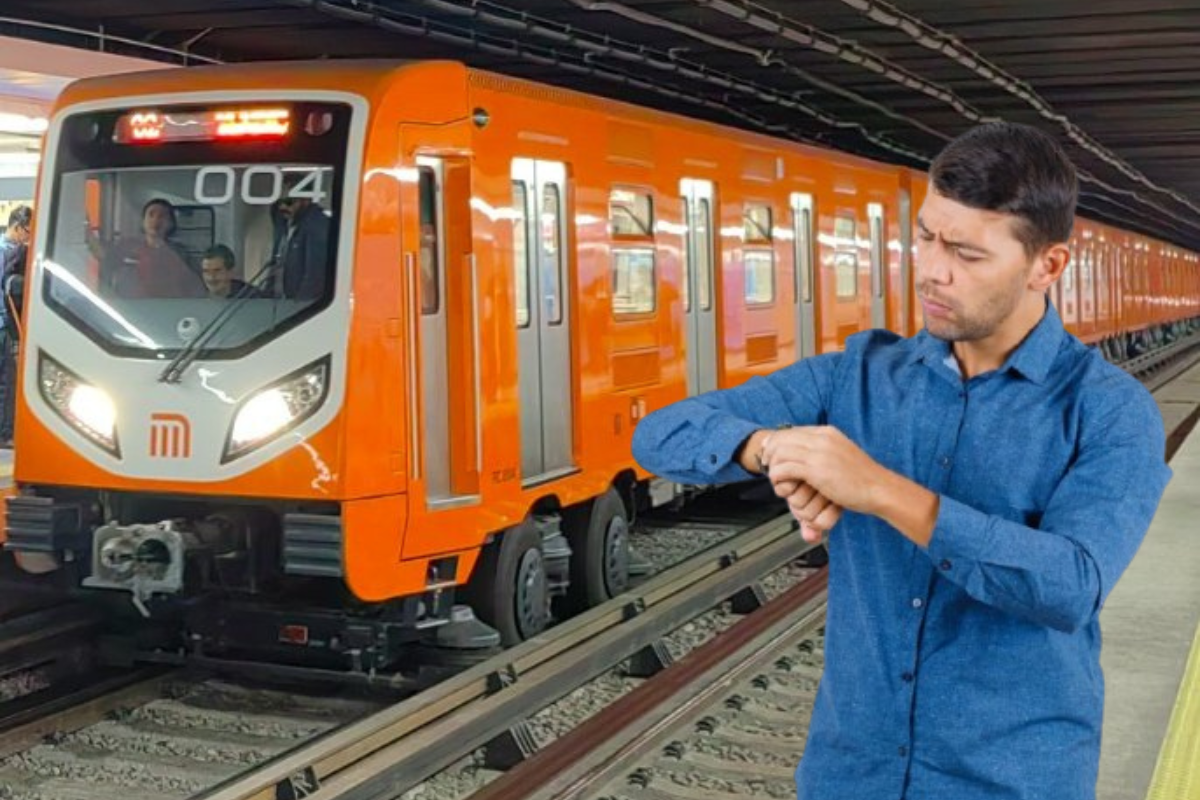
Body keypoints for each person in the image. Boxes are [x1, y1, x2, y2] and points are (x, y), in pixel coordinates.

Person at [631, 122, 1171, 800]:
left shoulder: (1106, 410)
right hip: (851, 774)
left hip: (1011, 780)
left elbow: (1069, 585)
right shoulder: (855, 376)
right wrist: (774, 448)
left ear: (1048, 266)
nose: (932, 270)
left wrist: (879, 490)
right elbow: (661, 433)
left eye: (967, 254)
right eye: (925, 237)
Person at [97, 199, 204, 299]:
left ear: (171, 223)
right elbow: (105, 273)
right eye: (151, 215)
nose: (156, 220)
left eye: (162, 216)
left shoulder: (180, 253)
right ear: (143, 221)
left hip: (171, 306)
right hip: (132, 307)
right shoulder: (126, 248)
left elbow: (193, 285)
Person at [268, 175, 330, 300]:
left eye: (289, 202)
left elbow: (314, 275)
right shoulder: (282, 222)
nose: (282, 208)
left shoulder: (318, 226)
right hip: (276, 302)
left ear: (306, 200)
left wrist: (299, 308)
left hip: (298, 307)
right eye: (279, 202)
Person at [0, 205, 30, 447]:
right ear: (18, 227)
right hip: (2, 324)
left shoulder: (18, 250)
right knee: (6, 379)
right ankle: (4, 433)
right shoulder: (4, 251)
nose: (29, 238)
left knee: (8, 378)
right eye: (28, 231)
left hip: (7, 323)